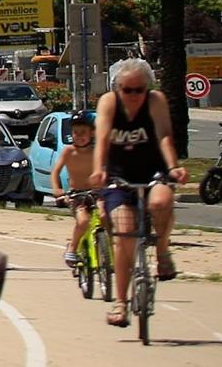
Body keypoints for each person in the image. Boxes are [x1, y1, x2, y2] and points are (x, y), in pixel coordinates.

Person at [95, 57, 183, 328]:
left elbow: (165, 136)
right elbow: (101, 137)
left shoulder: (155, 101)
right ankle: (121, 303)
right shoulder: (109, 103)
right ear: (117, 88)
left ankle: (163, 251)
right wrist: (98, 169)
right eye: (127, 90)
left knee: (162, 202)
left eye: (139, 90)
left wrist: (173, 167)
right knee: (124, 235)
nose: (133, 96)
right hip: (118, 175)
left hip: (152, 171)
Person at [54, 110, 101, 273]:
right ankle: (72, 248)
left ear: (92, 133)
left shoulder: (96, 151)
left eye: (83, 133)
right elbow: (55, 171)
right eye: (75, 132)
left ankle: (107, 252)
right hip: (77, 194)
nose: (79, 136)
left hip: (96, 192)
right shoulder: (68, 151)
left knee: (106, 217)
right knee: (82, 221)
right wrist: (57, 189)